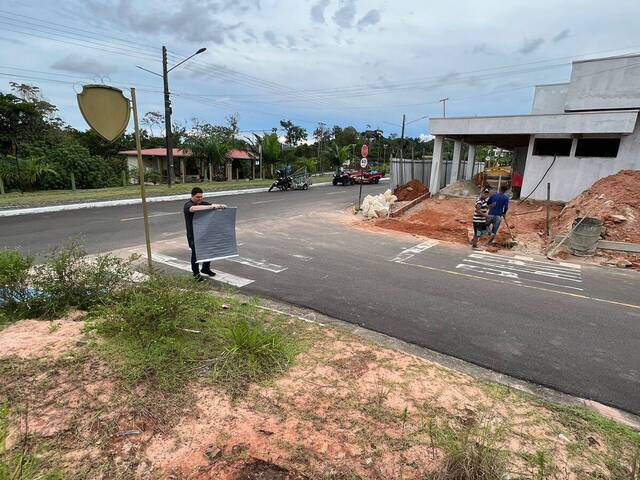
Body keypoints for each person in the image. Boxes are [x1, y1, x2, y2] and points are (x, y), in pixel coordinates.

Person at [183, 187, 226, 281]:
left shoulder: (202, 203)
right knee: (196, 255)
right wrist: (211, 207)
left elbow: (212, 204)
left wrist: (220, 205)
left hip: (204, 233)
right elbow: (193, 209)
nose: (200, 199)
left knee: (208, 251)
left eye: (201, 197)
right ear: (192, 196)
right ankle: (196, 274)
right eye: (197, 197)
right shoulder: (188, 205)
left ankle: (205, 269)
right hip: (193, 235)